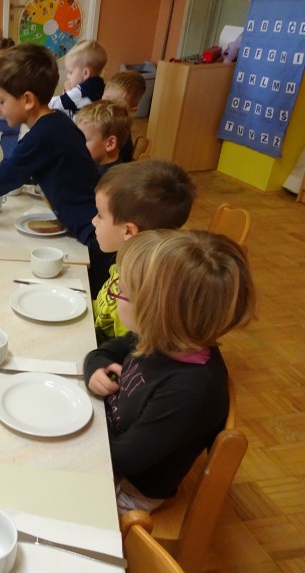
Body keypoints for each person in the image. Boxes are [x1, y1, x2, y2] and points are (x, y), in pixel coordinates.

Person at [84, 229, 256, 513]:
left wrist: (77, 436)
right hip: (109, 439)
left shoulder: (188, 391)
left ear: (156, 312)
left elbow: (124, 460)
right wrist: (95, 368)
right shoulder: (164, 336)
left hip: (129, 487)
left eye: (122, 291)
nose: (115, 296)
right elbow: (105, 351)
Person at [0, 44, 113, 292]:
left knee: (97, 294)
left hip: (92, 234)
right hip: (88, 222)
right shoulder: (55, 123)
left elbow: (2, 179)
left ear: (27, 100)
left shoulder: (42, 135)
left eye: (2, 100)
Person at [91, 160, 195, 343]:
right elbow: (102, 310)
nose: (94, 221)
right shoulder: (127, 263)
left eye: (100, 215)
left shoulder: (137, 296)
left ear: (128, 231)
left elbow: (126, 352)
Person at [48, 39, 107, 119]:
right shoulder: (99, 85)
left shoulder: (84, 90)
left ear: (85, 73)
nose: (68, 76)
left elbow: (55, 104)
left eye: (70, 72)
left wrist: (40, 102)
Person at [75, 100, 132, 174]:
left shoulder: (105, 179)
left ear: (110, 143)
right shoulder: (91, 164)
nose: (77, 143)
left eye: (83, 139)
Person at [103, 70, 147, 163]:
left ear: (131, 111)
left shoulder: (119, 132)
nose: (108, 107)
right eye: (106, 100)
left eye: (117, 105)